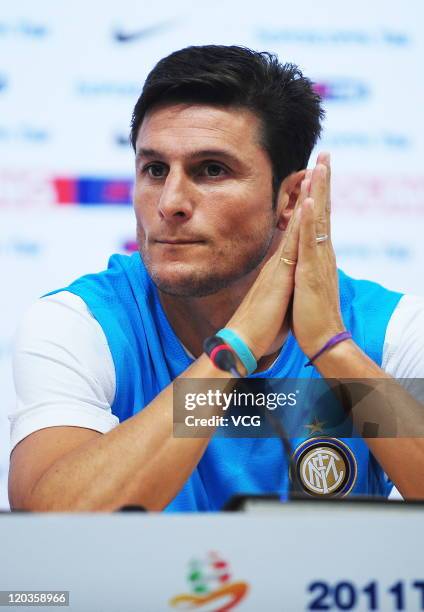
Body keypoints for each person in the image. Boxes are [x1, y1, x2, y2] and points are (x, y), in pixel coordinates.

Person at [8, 45, 424, 511]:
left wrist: (333, 348)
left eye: (211, 170)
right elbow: (50, 524)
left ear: (289, 199)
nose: (170, 202)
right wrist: (235, 347)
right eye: (154, 169)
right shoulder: (81, 323)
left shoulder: (389, 332)